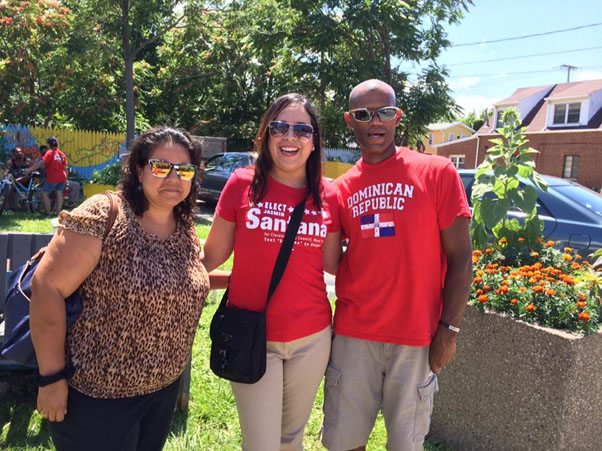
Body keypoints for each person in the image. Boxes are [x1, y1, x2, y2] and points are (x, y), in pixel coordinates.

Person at [29, 127, 210, 451]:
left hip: (161, 393)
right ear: (139, 169)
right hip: (97, 399)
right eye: (161, 166)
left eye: (184, 169)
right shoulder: (105, 214)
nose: (173, 177)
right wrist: (51, 379)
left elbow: (180, 279)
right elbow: (47, 288)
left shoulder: (183, 226)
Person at [321, 80, 473, 451]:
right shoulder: (342, 189)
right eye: (363, 114)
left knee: (405, 444)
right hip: (354, 335)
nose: (375, 121)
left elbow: (461, 259)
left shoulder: (436, 173)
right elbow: (333, 260)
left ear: (397, 117)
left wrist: (449, 330)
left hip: (416, 338)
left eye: (384, 111)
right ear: (350, 121)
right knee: (344, 441)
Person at [202, 93, 341, 451]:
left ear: (314, 143)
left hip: (312, 337)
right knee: (261, 444)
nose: (289, 136)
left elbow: (334, 265)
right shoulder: (240, 185)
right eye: (279, 127)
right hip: (252, 334)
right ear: (265, 136)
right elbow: (211, 255)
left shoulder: (329, 196)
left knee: (290, 441)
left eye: (301, 129)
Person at [26, 136, 68, 215]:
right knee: (59, 193)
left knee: (44, 193)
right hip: (62, 177)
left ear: (49, 145)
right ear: (57, 144)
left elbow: (42, 162)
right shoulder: (62, 154)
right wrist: (66, 179)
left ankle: (48, 213)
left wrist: (30, 169)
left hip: (53, 177)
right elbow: (65, 168)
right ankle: (57, 213)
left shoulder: (49, 152)